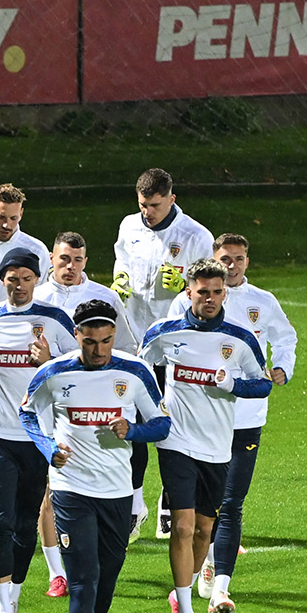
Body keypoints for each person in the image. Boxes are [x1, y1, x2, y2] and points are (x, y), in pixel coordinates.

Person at [20, 301, 171, 613]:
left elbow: (162, 424)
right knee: (83, 583)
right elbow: (27, 414)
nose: (99, 350)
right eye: (90, 342)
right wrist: (49, 448)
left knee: (106, 582)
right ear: (77, 337)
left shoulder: (134, 372)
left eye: (106, 341)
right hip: (71, 490)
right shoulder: (54, 373)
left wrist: (133, 430)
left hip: (117, 492)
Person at [140, 261, 273, 613]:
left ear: (224, 293)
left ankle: (180, 592)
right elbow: (141, 370)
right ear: (189, 292)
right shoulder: (164, 332)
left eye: (216, 292)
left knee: (203, 530)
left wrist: (234, 385)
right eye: (202, 292)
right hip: (176, 441)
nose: (210, 299)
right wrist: (154, 409)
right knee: (182, 528)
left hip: (217, 445)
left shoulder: (240, 338)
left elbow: (262, 384)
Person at [165, 234, 297, 613]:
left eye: (239, 259)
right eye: (226, 258)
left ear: (247, 262)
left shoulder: (262, 302)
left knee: (231, 502)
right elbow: (159, 353)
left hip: (246, 418)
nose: (233, 265)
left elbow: (286, 338)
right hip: (196, 423)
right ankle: (199, 570)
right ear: (214, 259)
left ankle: (221, 588)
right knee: (197, 515)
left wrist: (282, 367)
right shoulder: (185, 302)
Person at [0, 248, 76, 613]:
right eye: (12, 279)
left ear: (36, 280)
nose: (19, 285)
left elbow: (77, 363)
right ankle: (3, 611)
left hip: (37, 434)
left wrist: (50, 359)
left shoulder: (54, 319)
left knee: (27, 522)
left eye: (26, 278)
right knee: (1, 521)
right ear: (2, 280)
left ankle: (14, 598)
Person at [112, 168, 214, 540]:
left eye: (154, 205)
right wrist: (120, 278)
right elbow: (121, 261)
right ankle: (134, 504)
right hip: (135, 344)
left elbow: (210, 288)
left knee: (174, 429)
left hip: (176, 350)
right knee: (134, 424)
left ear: (172, 199)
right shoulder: (129, 226)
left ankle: (170, 504)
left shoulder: (195, 236)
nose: (148, 212)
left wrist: (186, 283)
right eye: (143, 205)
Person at [33, 232, 135, 596]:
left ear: (86, 261)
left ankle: (88, 559)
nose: (70, 266)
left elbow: (128, 349)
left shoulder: (105, 298)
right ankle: (56, 572)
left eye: (77, 260)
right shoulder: (37, 299)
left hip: (96, 409)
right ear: (51, 259)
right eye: (64, 259)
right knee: (50, 487)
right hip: (49, 406)